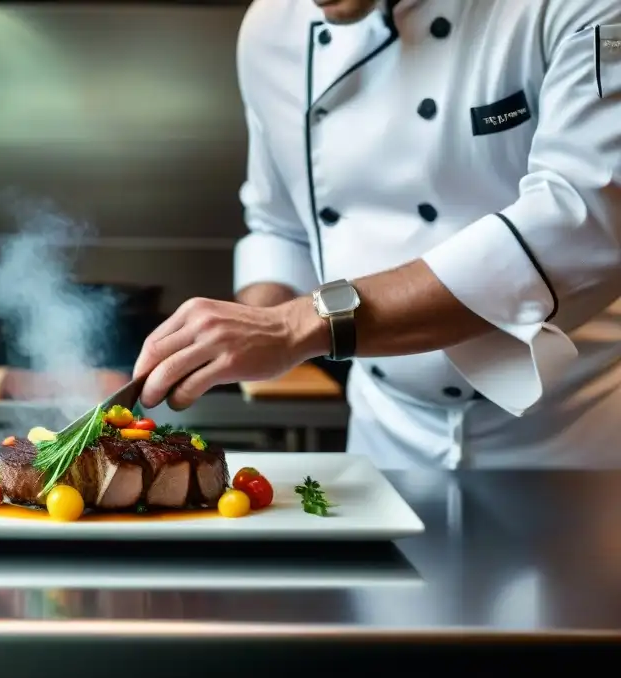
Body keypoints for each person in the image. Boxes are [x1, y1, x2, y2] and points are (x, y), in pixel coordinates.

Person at [134, 0, 621, 470]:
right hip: (386, 436)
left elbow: (581, 221)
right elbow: (280, 227)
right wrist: (253, 330)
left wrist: (295, 327)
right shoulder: (273, 27)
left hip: (574, 434)